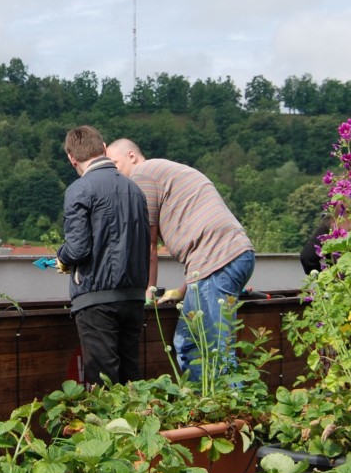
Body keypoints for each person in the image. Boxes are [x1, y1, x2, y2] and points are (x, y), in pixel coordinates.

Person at [105, 138, 255, 380]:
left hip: (219, 261)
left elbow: (149, 244)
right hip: (229, 257)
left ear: (132, 156)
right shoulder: (165, 171)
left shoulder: (142, 175)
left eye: (115, 163)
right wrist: (182, 290)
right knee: (188, 343)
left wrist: (147, 292)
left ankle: (229, 411)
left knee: (216, 350)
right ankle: (203, 407)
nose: (114, 172)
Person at [57, 126, 150, 385]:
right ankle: (141, 424)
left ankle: (107, 427)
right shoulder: (136, 191)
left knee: (103, 381)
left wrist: (61, 257)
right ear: (104, 147)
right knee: (131, 376)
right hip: (133, 296)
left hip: (96, 298)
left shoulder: (80, 189)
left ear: (71, 158)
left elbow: (77, 248)